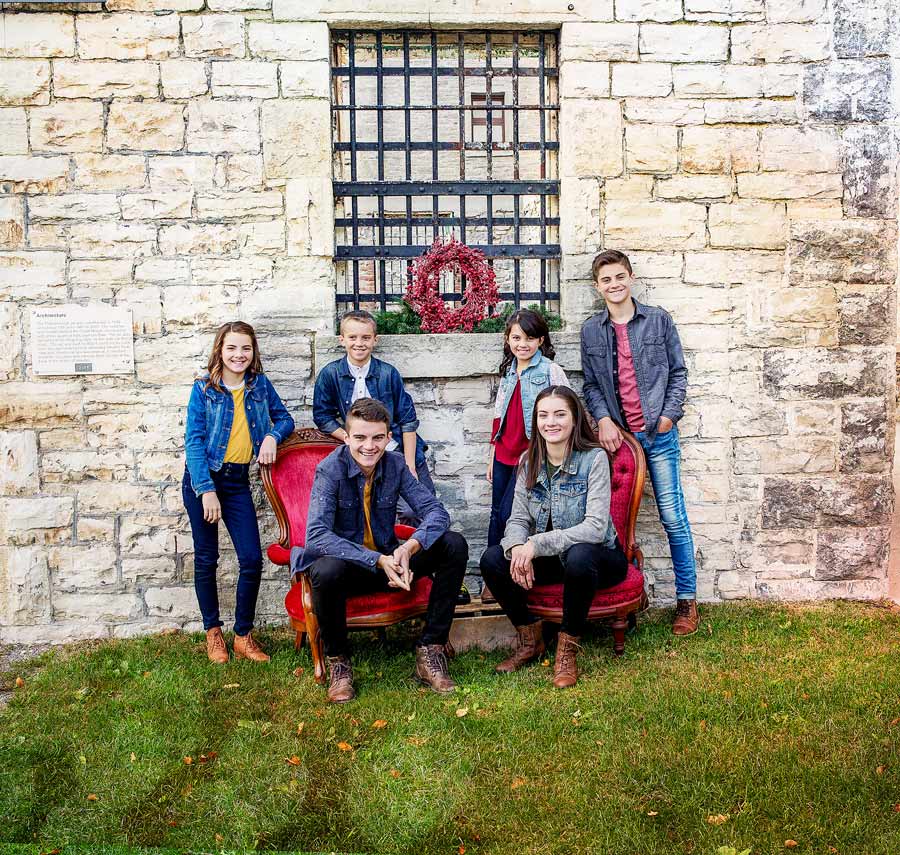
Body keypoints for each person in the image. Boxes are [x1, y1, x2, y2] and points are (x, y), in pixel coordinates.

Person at [293, 398, 469, 704]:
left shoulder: (396, 464)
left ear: (389, 438)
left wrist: (409, 549)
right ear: (346, 437)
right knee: (324, 569)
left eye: (377, 437)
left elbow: (437, 513)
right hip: (352, 569)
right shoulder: (329, 469)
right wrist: (378, 560)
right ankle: (339, 663)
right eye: (360, 437)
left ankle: (431, 649)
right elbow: (316, 535)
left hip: (390, 563)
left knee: (453, 544)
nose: (369, 446)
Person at [581, 249, 699, 636]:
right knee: (611, 522)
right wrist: (602, 420)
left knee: (672, 516)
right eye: (606, 280)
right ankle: (622, 600)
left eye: (619, 277)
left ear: (630, 278)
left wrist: (668, 416)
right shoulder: (591, 331)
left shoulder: (658, 320)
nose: (614, 285)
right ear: (598, 288)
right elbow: (593, 385)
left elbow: (679, 372)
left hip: (658, 436)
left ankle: (687, 601)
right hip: (619, 442)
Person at [313, 310, 469, 604]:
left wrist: (409, 462)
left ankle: (433, 574)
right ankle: (384, 567)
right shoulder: (331, 374)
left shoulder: (387, 373)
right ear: (342, 340)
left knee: (423, 514)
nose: (359, 343)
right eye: (353, 337)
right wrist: (353, 440)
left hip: (399, 452)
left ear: (375, 340)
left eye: (366, 337)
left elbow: (408, 419)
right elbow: (321, 415)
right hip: (364, 454)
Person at [480, 386, 627, 688]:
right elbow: (518, 518)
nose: (551, 422)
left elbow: (595, 528)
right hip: (553, 558)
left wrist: (536, 544)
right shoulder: (528, 460)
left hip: (601, 560)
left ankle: (567, 650)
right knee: (493, 559)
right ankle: (530, 638)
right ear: (535, 421)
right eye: (543, 415)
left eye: (560, 414)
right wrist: (519, 547)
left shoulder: (593, 459)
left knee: (580, 554)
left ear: (575, 419)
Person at [183, 321, 295, 664]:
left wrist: (272, 437)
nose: (238, 355)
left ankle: (243, 635)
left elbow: (284, 418)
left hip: (236, 482)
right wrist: (206, 491)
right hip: (203, 482)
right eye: (231, 348)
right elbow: (194, 442)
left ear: (253, 352)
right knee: (207, 559)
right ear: (220, 350)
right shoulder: (203, 390)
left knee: (250, 558)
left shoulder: (259, 386)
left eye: (245, 348)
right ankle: (212, 632)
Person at [486, 309, 571, 551]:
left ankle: (515, 564)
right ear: (508, 339)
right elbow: (498, 414)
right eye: (516, 338)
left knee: (511, 513)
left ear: (541, 340)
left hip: (531, 453)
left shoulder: (550, 370)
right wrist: (492, 455)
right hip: (504, 451)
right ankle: (491, 575)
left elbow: (568, 408)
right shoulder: (509, 371)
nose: (523, 344)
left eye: (530, 338)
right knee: (495, 513)